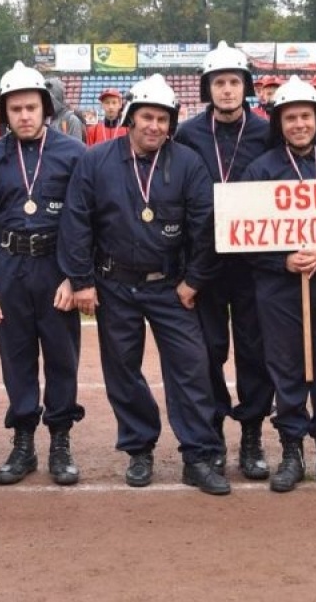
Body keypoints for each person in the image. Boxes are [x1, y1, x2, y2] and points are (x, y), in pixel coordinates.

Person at [59, 74, 229, 495]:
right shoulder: (96, 160)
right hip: (113, 283)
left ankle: (199, 455)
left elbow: (205, 226)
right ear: (131, 118)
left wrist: (194, 280)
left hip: (171, 286)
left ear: (171, 123)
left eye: (162, 119)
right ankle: (139, 448)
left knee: (191, 368)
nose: (154, 126)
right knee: (122, 370)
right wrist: (82, 281)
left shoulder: (188, 163)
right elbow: (77, 222)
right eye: (146, 117)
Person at [0, 62, 87, 485]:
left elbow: (85, 222)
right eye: (15, 108)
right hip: (9, 269)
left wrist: (76, 277)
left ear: (45, 108)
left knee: (61, 358)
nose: (23, 115)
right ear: (5, 112)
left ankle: (59, 441)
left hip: (56, 269)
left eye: (31, 107)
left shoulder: (73, 153)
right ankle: (23, 443)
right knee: (16, 358)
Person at [242, 76, 316, 493]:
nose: (298, 125)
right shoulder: (260, 171)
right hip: (277, 285)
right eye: (290, 118)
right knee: (285, 366)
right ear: (279, 123)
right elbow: (241, 237)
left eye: (305, 117)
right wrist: (282, 259)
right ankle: (291, 448)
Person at [173, 43, 274, 480]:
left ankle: (251, 433)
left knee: (256, 350)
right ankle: (211, 434)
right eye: (220, 83)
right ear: (207, 88)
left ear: (246, 87)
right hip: (205, 263)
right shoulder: (188, 135)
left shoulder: (267, 131)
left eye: (235, 82)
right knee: (208, 351)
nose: (228, 90)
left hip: (255, 262)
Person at [44, 75, 86, 142]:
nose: (46, 103)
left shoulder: (71, 120)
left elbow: (76, 150)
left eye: (49, 99)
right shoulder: (42, 120)